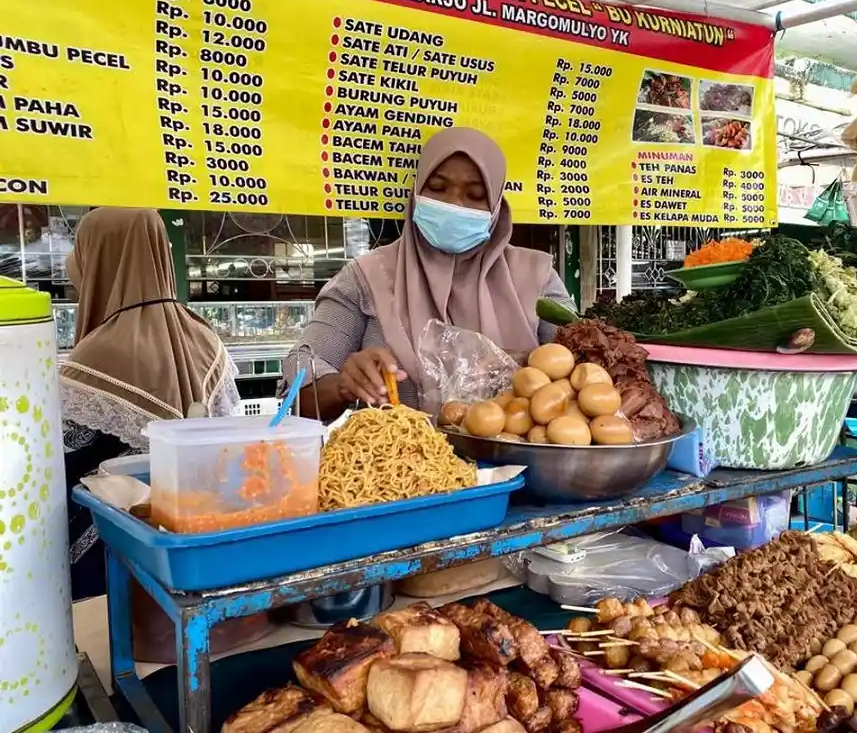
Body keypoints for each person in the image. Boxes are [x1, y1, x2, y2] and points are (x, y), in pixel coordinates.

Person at [283, 127, 575, 420]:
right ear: (417, 190)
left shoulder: (537, 278)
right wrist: (343, 385)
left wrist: (525, 364)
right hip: (401, 462)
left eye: (475, 195)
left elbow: (588, 373)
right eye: (437, 188)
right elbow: (296, 390)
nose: (454, 203)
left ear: (497, 206)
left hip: (520, 465)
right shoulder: (365, 279)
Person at [61, 207, 239, 600]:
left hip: (112, 566)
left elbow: (62, 467)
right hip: (205, 549)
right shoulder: (206, 338)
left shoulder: (97, 354)